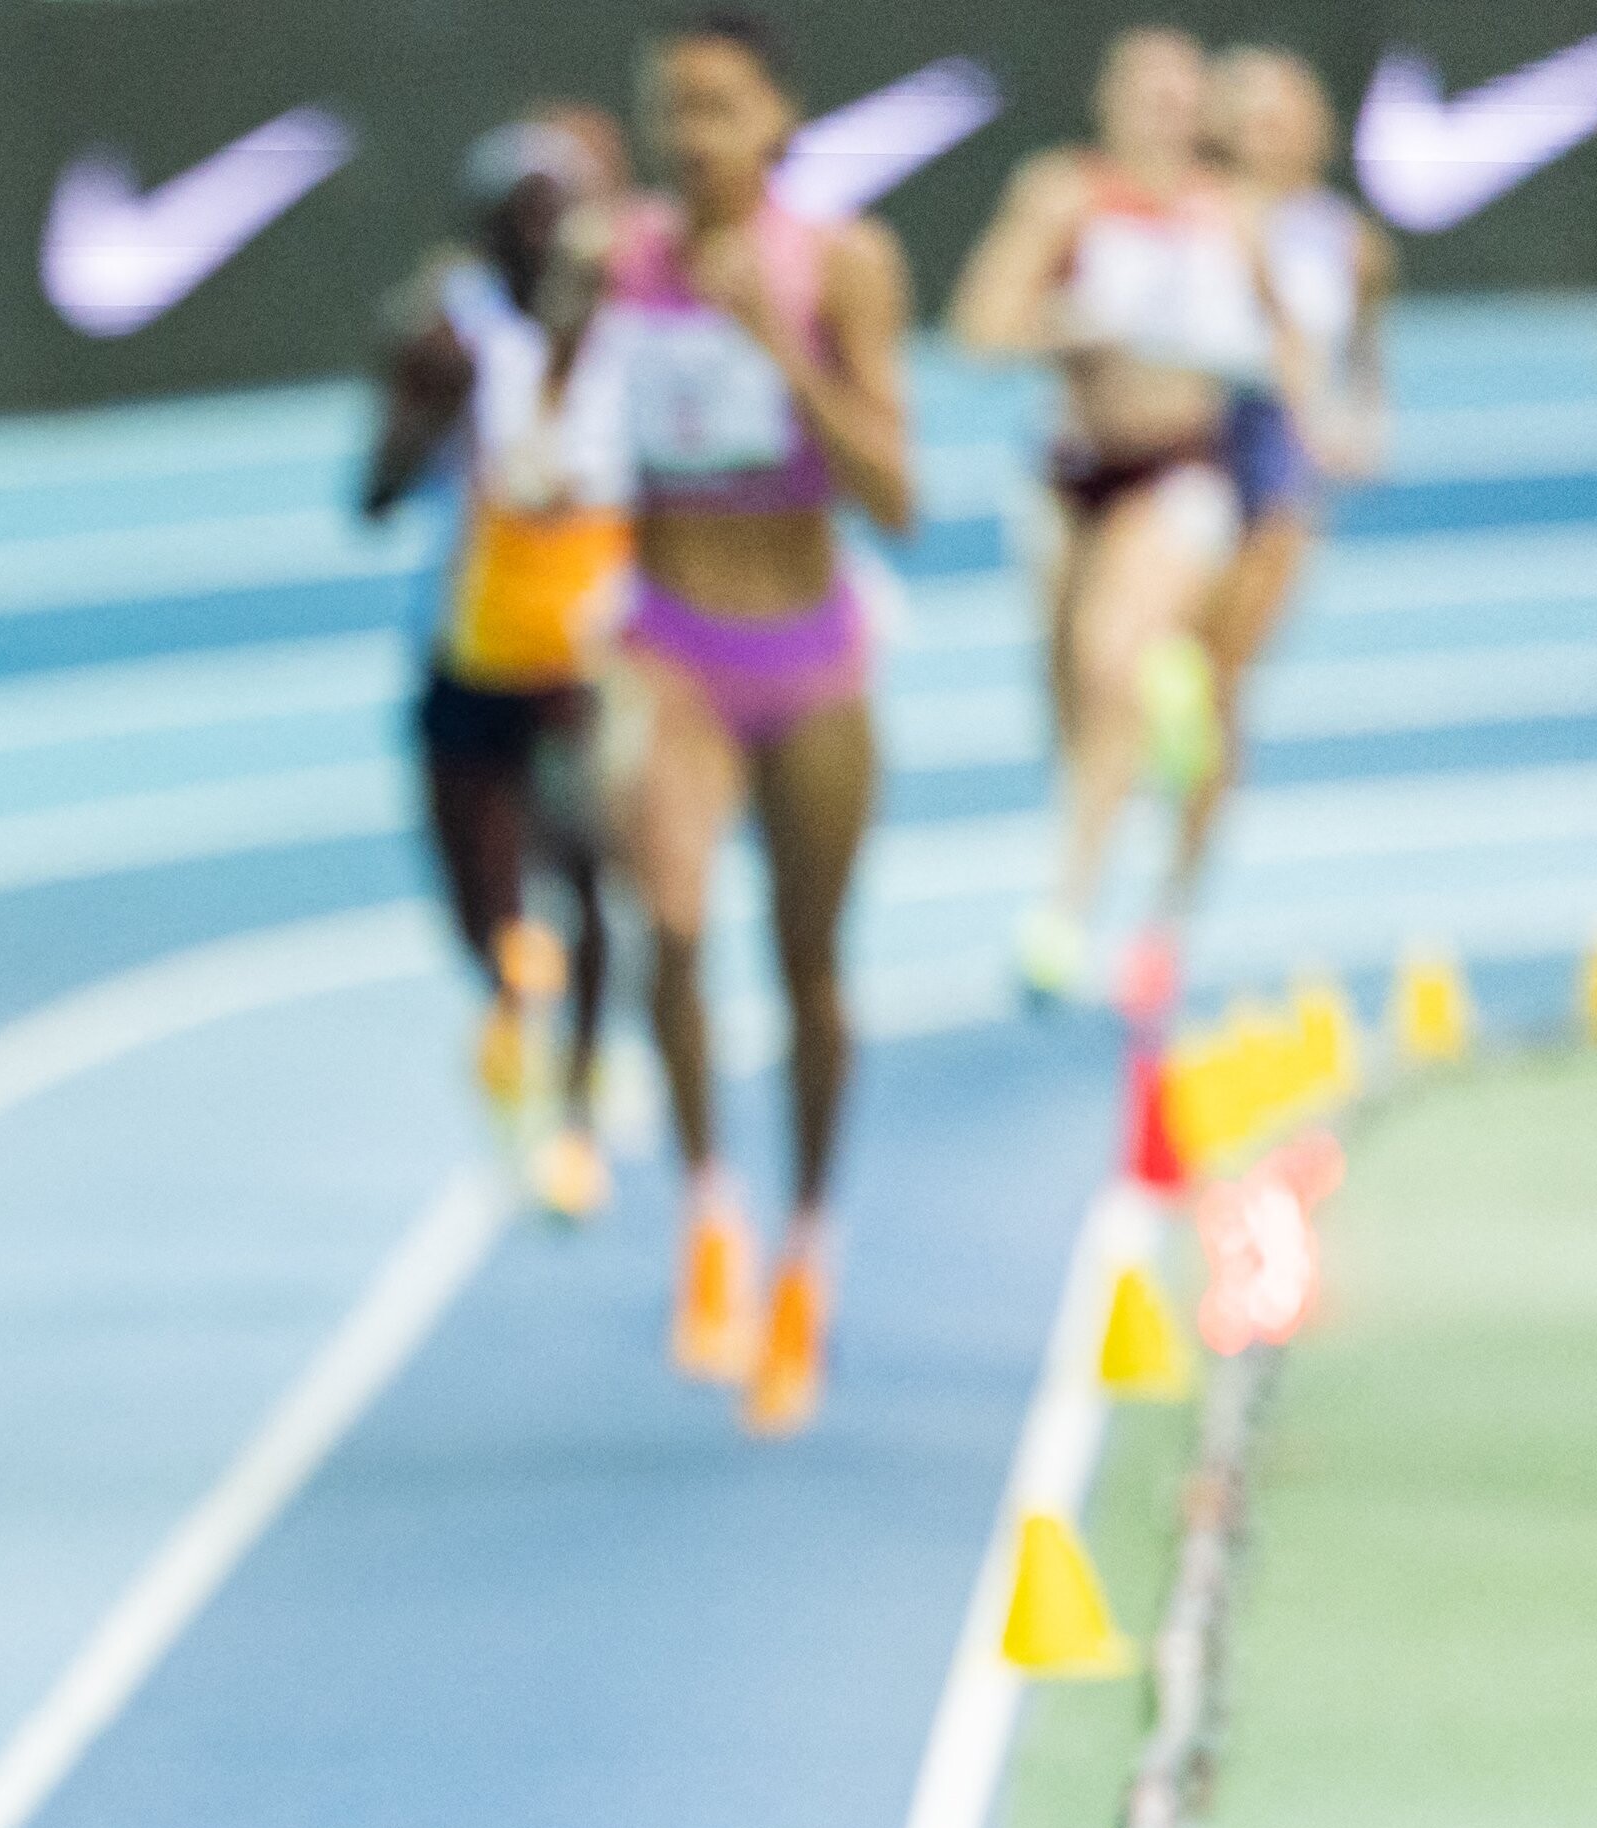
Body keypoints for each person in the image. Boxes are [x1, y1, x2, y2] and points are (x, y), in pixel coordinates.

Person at [587, 11, 915, 1436]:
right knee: (667, 921)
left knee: (809, 969)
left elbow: (897, 494)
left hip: (811, 656)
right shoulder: (621, 261)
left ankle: (809, 1250)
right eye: (672, 107)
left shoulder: (841, 263)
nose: (692, 135)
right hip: (671, 648)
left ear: (779, 119)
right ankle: (711, 1210)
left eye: (719, 106)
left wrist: (779, 344)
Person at [951, 27, 1303, 1007]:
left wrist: (1264, 387)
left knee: (1112, 657)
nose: (1165, 114)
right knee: (1073, 703)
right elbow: (978, 330)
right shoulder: (1062, 194)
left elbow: (1288, 349)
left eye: (1182, 98)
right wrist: (1069, 326)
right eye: (1147, 94)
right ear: (1108, 100)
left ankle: (1064, 914)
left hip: (1179, 470)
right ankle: (1160, 705)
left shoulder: (1230, 214)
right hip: (1071, 478)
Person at [362, 109, 638, 1224]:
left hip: (587, 672)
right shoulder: (450, 336)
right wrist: (421, 406)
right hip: (470, 659)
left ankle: (576, 1105)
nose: (542, 239)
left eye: (559, 216)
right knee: (483, 910)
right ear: (483, 235)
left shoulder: (634, 331)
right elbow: (372, 498)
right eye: (519, 219)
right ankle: (514, 1022)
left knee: (589, 879)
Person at [1181, 46, 1392, 964]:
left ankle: (1182, 884)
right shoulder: (1197, 210)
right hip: (1193, 435)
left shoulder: (1349, 241)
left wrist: (1359, 428)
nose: (1267, 135)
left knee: (1223, 681)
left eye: (1284, 118)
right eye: (1251, 117)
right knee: (1167, 656)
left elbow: (1362, 359)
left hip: (1281, 458)